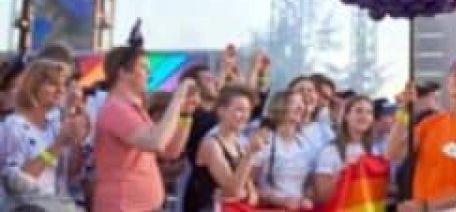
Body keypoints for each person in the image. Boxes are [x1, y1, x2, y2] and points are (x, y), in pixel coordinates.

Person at [92, 22, 200, 212]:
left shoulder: (133, 109)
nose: (149, 74)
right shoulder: (115, 109)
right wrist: (177, 97)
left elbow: (170, 151)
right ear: (123, 72)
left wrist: (185, 115)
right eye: (143, 67)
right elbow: (155, 142)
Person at [0, 59, 89, 209]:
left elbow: (71, 175)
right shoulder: (13, 126)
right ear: (33, 87)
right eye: (53, 84)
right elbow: (16, 184)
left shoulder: (53, 125)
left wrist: (77, 140)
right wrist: (57, 146)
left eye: (63, 85)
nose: (61, 90)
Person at [396, 59, 456, 212]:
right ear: (448, 83)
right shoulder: (430, 124)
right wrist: (404, 111)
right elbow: (395, 153)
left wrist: (428, 206)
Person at [312, 95, 403, 206]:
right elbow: (322, 197)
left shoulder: (375, 150)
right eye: (359, 111)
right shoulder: (330, 151)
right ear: (346, 116)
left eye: (369, 112)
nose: (364, 116)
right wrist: (344, 173)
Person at [187, 85, 263, 211]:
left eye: (248, 111)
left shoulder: (238, 143)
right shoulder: (211, 144)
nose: (245, 116)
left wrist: (245, 193)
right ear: (221, 111)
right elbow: (233, 190)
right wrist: (250, 154)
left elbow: (252, 196)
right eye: (239, 110)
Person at [254, 90, 318, 210]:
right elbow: (250, 184)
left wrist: (306, 197)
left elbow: (310, 182)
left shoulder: (305, 143)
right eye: (294, 102)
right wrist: (279, 200)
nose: (300, 107)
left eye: (302, 103)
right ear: (280, 106)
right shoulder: (265, 140)